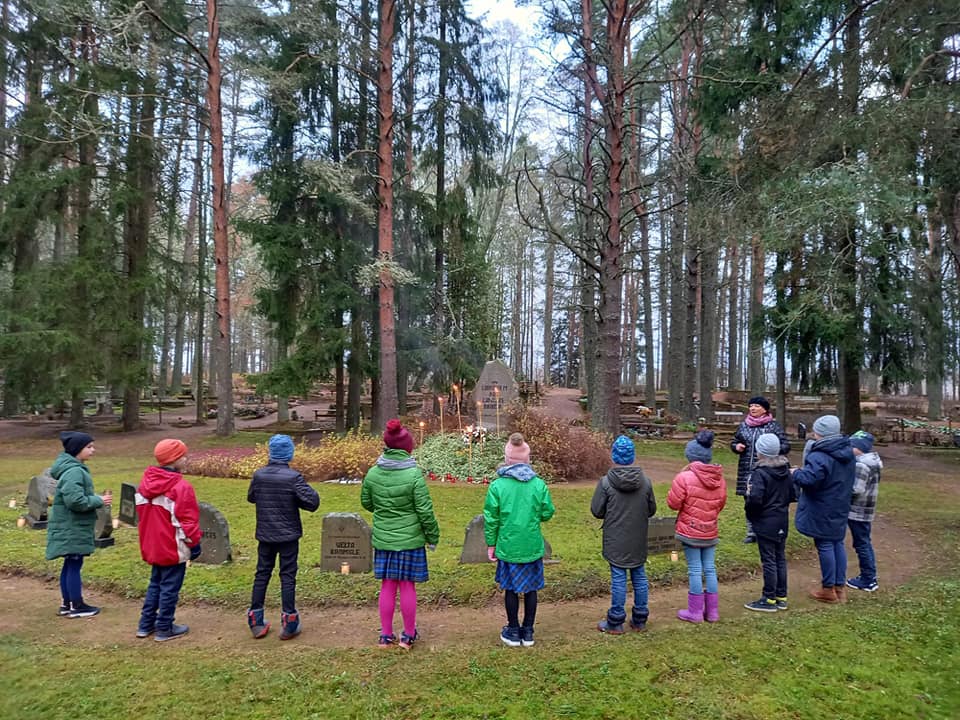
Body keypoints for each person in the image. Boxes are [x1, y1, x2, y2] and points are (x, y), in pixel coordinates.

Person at [361, 419, 440, 650]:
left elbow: (366, 502)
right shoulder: (414, 475)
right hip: (410, 540)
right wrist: (432, 536)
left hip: (385, 538)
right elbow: (425, 510)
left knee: (387, 585)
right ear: (407, 448)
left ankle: (385, 635)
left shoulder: (373, 473)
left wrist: (384, 509)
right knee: (407, 586)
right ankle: (408, 635)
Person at [484, 432, 556, 647]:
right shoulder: (538, 485)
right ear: (527, 459)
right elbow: (547, 512)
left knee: (511, 589)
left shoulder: (497, 487)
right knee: (531, 588)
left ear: (507, 459)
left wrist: (491, 544)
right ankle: (529, 631)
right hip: (532, 545)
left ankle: (513, 630)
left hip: (508, 546)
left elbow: (491, 519)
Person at [246, 434, 320, 640]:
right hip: (287, 536)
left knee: (262, 574)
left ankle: (255, 619)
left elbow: (252, 497)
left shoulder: (259, 475)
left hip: (266, 534)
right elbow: (313, 502)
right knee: (287, 576)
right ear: (289, 454)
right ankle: (289, 622)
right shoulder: (293, 478)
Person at [135, 439, 202, 641]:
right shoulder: (181, 487)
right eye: (183, 455)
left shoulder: (145, 483)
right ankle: (165, 627)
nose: (186, 458)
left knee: (155, 583)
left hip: (152, 543)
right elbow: (187, 521)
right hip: (173, 546)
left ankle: (145, 625)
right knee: (170, 587)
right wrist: (194, 544)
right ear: (175, 459)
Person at [591, 435, 657, 634]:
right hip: (638, 537)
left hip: (615, 539)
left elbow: (597, 510)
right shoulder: (645, 482)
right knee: (639, 575)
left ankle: (616, 621)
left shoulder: (606, 483)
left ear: (614, 456)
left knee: (619, 577)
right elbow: (651, 509)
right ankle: (640, 618)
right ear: (632, 456)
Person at [46, 431, 111, 618]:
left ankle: (67, 604)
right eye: (89, 447)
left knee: (70, 564)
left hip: (70, 526)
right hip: (72, 527)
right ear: (77, 450)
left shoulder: (72, 468)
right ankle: (77, 605)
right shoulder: (74, 471)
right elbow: (75, 501)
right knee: (74, 564)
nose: (93, 450)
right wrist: (98, 500)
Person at [791, 415, 855, 604]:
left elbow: (810, 480)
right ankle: (839, 587)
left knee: (825, 544)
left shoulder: (820, 455)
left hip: (822, 505)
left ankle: (828, 588)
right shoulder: (847, 451)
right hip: (840, 503)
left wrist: (796, 473)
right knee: (837, 542)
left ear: (819, 432)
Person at [667, 430, 727, 624]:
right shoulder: (720, 478)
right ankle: (713, 612)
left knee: (694, 569)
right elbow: (721, 503)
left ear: (690, 456)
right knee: (710, 568)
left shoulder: (683, 478)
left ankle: (695, 611)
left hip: (690, 531)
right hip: (710, 529)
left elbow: (673, 503)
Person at [743, 433, 797, 612]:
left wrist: (751, 514)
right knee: (779, 558)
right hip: (781, 519)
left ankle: (769, 598)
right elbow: (793, 494)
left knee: (769, 560)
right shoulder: (785, 470)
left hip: (766, 521)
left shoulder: (760, 473)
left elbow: (755, 499)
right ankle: (781, 595)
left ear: (760, 452)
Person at [730, 396, 790, 543]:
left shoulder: (773, 426)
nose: (752, 408)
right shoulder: (744, 425)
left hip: (768, 471)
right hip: (747, 470)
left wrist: (773, 450)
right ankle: (751, 532)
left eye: (756, 406)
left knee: (766, 501)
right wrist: (736, 447)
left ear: (765, 409)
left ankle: (766, 529)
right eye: (751, 406)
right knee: (750, 501)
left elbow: (785, 445)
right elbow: (735, 440)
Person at [846, 431, 881, 592]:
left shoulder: (861, 465)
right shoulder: (873, 461)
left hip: (858, 511)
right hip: (866, 510)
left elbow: (856, 489)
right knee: (863, 541)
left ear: (858, 448)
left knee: (861, 543)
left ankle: (868, 579)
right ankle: (869, 576)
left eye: (851, 445)